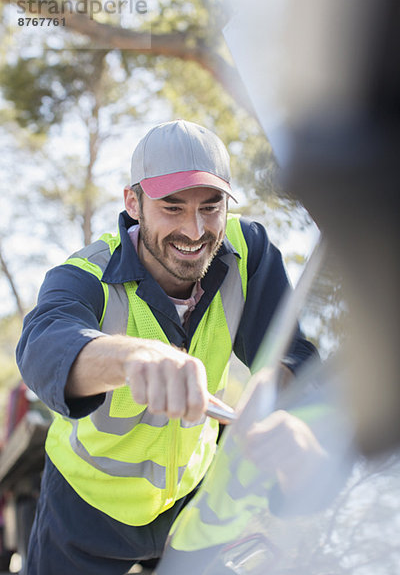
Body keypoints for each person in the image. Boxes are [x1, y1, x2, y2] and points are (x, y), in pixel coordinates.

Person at [16, 120, 319, 575]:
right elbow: (43, 343)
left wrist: (275, 393)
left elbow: (292, 350)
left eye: (211, 207)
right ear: (133, 203)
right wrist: (133, 357)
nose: (195, 232)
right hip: (85, 511)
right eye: (172, 208)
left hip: (191, 505)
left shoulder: (247, 252)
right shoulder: (84, 273)